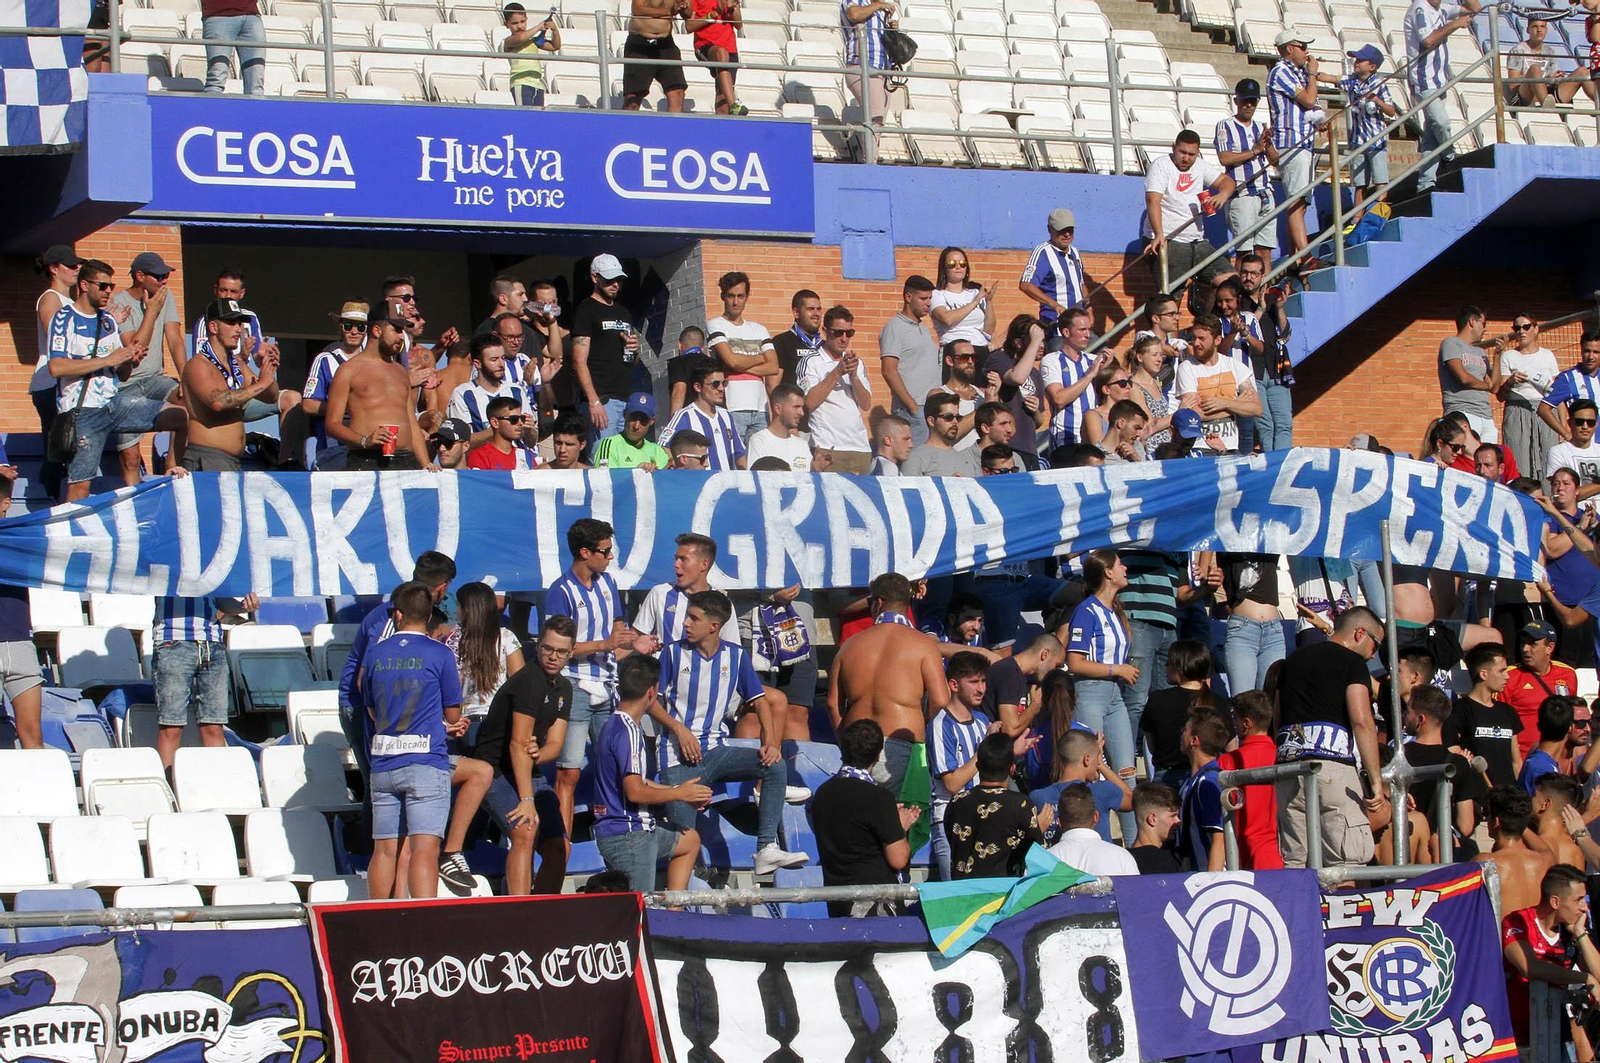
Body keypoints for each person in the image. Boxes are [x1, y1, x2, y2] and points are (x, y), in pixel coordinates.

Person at [651, 590, 808, 875]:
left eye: (693, 618)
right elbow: (650, 701)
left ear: (714, 626)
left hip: (716, 752)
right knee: (687, 841)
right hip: (678, 758)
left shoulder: (734, 656)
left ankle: (766, 849)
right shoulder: (672, 654)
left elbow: (760, 701)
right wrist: (678, 729)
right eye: (687, 615)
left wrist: (771, 742)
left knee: (774, 766)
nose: (685, 623)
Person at [48, 259, 187, 502]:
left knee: (181, 417)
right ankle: (70, 534)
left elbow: (121, 374)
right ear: (84, 285)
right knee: (80, 486)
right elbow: (56, 367)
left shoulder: (108, 321)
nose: (108, 292)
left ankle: (170, 484)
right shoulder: (64, 318)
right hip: (84, 412)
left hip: (114, 403)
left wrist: (128, 361)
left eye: (111, 286)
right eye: (102, 286)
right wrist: (108, 359)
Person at [361, 581, 463, 901]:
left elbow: (369, 705)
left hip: (383, 761)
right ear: (430, 613)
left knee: (384, 850)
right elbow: (453, 713)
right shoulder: (440, 653)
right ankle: (424, 921)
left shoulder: (376, 653)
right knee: (424, 849)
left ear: (399, 614)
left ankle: (378, 915)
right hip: (425, 761)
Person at [460, 618, 575, 896]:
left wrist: (539, 753)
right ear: (537, 647)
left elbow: (555, 745)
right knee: (524, 830)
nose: (553, 657)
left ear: (571, 652)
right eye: (547, 648)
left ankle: (544, 909)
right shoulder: (528, 681)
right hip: (494, 768)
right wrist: (526, 801)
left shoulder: (564, 688)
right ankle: (521, 909)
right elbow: (516, 744)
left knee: (560, 846)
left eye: (561, 652)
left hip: (526, 766)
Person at [1274, 605, 1387, 868]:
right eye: (1376, 645)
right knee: (1346, 862)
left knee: (1296, 864)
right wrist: (1376, 779)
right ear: (1360, 633)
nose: (1373, 656)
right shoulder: (1353, 662)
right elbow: (1362, 721)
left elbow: (1277, 717)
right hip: (1332, 769)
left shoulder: (1292, 660)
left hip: (1289, 768)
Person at [592, 654, 708, 891]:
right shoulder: (629, 733)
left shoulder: (611, 725)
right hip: (629, 835)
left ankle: (674, 916)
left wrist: (682, 791)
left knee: (690, 840)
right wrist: (679, 795)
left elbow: (636, 780)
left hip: (636, 831)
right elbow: (635, 792)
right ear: (652, 692)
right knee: (638, 910)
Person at [829, 573, 949, 794]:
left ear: (879, 602)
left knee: (859, 820)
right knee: (900, 822)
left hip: (857, 745)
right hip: (901, 743)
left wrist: (845, 742)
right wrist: (921, 723)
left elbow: (832, 705)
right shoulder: (923, 645)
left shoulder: (849, 646)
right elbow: (941, 699)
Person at [549, 518, 631, 836]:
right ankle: (562, 841)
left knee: (612, 765)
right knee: (568, 771)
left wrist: (634, 644)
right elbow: (557, 649)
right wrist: (605, 645)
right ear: (585, 552)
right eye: (605, 551)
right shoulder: (561, 591)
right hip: (574, 685)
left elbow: (618, 632)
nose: (610, 557)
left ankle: (614, 831)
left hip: (607, 684)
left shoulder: (608, 584)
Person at [1062, 549, 1139, 838]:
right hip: (1091, 693)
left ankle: (1135, 847)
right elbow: (1075, 662)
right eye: (1120, 564)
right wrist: (1115, 670)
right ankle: (1097, 838)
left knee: (1126, 771)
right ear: (1108, 572)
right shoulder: (1087, 610)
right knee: (1092, 769)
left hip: (1115, 696)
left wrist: (1118, 673)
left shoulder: (1115, 611)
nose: (1125, 568)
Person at [813, 719, 919, 917]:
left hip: (837, 901)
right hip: (875, 906)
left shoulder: (821, 794)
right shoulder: (878, 797)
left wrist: (886, 818)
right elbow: (898, 858)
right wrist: (900, 826)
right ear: (878, 755)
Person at [323, 298, 435, 471]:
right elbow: (332, 424)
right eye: (396, 329)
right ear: (376, 330)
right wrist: (365, 440)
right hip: (366, 459)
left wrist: (425, 463)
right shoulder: (348, 370)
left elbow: (411, 421)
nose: (401, 336)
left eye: (403, 330)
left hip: (406, 460)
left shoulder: (400, 372)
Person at [1501, 864, 1600, 1049]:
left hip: (1557, 1033)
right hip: (1517, 1037)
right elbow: (1530, 967)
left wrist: (1580, 934)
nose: (1585, 908)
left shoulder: (1570, 931)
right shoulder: (1517, 922)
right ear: (1555, 902)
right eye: (1578, 900)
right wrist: (1584, 978)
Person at [1141, 130, 1236, 317]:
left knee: (1230, 282)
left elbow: (1227, 181)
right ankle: (1168, 344)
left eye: (1191, 154)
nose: (1186, 158)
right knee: (1170, 301)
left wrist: (1223, 194)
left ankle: (1205, 325)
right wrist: (1159, 234)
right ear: (1174, 148)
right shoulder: (1161, 165)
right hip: (1170, 239)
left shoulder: (1200, 166)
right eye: (1182, 152)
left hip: (1197, 240)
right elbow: (1153, 200)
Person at [180, 298, 280, 472]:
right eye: (231, 322)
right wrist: (261, 384)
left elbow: (271, 397)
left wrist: (266, 366)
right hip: (207, 459)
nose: (238, 328)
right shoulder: (197, 365)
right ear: (213, 327)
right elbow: (217, 402)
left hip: (233, 462)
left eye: (239, 323)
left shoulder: (237, 364)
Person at [110, 252, 184, 484]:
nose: (164, 280)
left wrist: (187, 380)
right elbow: (135, 348)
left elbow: (174, 338)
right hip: (125, 385)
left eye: (166, 275)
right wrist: (151, 311)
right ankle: (133, 502)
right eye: (159, 275)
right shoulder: (118, 303)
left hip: (154, 380)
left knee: (187, 400)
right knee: (130, 458)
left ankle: (171, 469)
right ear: (140, 276)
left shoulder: (165, 296)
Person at [152, 594, 244, 769]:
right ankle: (169, 790)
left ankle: (213, 786)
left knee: (214, 725)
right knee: (171, 726)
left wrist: (243, 607)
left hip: (213, 645)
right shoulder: (166, 565)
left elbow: (221, 601)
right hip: (172, 641)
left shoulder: (212, 567)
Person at [1267, 30, 1335, 262]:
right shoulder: (1281, 72)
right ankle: (1304, 256)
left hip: (1304, 142)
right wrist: (1313, 74)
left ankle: (1296, 257)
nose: (1306, 52)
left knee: (1301, 203)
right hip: (1291, 143)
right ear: (1289, 48)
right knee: (1296, 201)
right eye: (1303, 45)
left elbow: (1310, 104)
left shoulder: (1296, 74)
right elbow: (1307, 99)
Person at [1406, 0, 1484, 194]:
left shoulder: (1441, 8)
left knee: (1432, 136)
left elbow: (1476, 9)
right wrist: (1454, 24)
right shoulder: (1420, 8)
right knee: (1441, 123)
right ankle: (1450, 157)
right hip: (1424, 79)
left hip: (1439, 79)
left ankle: (1426, 183)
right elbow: (1427, 40)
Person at [928, 651, 993, 881]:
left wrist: (1009, 752)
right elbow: (953, 783)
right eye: (974, 682)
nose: (981, 689)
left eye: (983, 681)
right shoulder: (941, 724)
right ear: (954, 685)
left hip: (984, 818)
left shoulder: (983, 721)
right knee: (957, 895)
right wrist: (986, 750)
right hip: (951, 821)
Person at [946, 734, 1048, 878]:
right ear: (1012, 768)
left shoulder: (957, 802)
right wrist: (1039, 828)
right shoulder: (1020, 804)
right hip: (1001, 894)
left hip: (963, 893)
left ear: (977, 766)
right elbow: (1036, 853)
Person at [1404, 687, 1483, 855]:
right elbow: (1466, 825)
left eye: (1408, 710)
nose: (1404, 715)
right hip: (1440, 850)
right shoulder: (1458, 763)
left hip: (1404, 843)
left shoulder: (1398, 756)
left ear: (1420, 719)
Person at [571, 254, 639, 441]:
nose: (615, 284)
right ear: (595, 277)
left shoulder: (623, 312)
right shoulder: (586, 310)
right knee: (602, 460)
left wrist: (634, 350)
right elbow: (579, 361)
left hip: (624, 398)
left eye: (619, 279)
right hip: (601, 398)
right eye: (610, 279)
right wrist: (593, 401)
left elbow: (631, 363)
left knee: (622, 460)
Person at [705, 271, 780, 442]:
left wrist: (739, 363)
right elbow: (731, 361)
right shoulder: (715, 324)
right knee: (735, 462)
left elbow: (773, 367)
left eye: (740, 296)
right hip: (732, 406)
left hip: (760, 407)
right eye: (731, 296)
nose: (736, 302)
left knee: (759, 461)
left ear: (747, 296)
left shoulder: (759, 329)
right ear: (723, 296)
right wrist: (761, 357)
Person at [799, 305, 873, 473]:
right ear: (825, 331)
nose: (844, 338)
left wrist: (853, 376)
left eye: (849, 333)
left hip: (859, 447)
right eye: (838, 332)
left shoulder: (856, 362)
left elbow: (866, 404)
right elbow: (809, 402)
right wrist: (838, 372)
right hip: (827, 446)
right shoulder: (811, 361)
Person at [1028, 727, 1134, 844]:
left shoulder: (1038, 796)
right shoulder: (1102, 791)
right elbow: (1132, 800)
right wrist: (1102, 765)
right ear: (1086, 759)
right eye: (1098, 757)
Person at [1213, 79, 1279, 265]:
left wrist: (1268, 143)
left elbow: (1275, 162)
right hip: (1242, 195)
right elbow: (1224, 158)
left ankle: (1262, 292)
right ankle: (1240, 293)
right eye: (1245, 101)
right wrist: (1255, 150)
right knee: (1244, 251)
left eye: (1253, 101)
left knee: (1264, 251)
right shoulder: (1225, 126)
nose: (1249, 105)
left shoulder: (1260, 127)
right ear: (1236, 101)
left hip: (1265, 193)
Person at [1175, 315, 1261, 455]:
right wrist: (1235, 405)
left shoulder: (1235, 366)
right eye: (1194, 338)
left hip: (1231, 447)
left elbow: (1256, 409)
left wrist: (1224, 403)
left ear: (1217, 340)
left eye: (1202, 339)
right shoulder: (1187, 367)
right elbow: (1194, 413)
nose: (1196, 343)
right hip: (1201, 447)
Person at [1236, 255, 1295, 451]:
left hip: (1275, 368)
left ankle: (1283, 467)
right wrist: (1260, 308)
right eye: (1245, 272)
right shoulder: (1235, 302)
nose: (1249, 277)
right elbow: (1245, 331)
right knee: (1265, 425)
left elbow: (1285, 334)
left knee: (1284, 424)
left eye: (1254, 273)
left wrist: (1278, 308)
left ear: (1263, 276)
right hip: (1252, 370)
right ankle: (1272, 469)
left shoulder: (1271, 299)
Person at [1217, 690, 1282, 869]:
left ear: (1246, 723)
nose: (1233, 724)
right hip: (1281, 854)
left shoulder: (1227, 761)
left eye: (1234, 718)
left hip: (1240, 856)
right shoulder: (1283, 758)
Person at [1141, 639, 1216, 788]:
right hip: (1207, 777)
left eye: (1168, 662)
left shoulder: (1158, 699)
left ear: (1179, 666)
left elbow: (1151, 745)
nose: (1165, 666)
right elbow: (1230, 748)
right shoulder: (1218, 702)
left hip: (1167, 778)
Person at [1455, 642, 1526, 788]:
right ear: (1483, 674)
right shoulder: (1459, 710)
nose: (1507, 676)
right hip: (1478, 799)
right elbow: (1453, 752)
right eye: (1501, 671)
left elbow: (1516, 762)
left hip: (1508, 798)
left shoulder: (1508, 711)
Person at [1499, 313, 1561, 478]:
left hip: (1545, 410)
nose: (1521, 331)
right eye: (1517, 328)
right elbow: (1500, 396)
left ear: (1536, 329)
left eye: (1526, 327)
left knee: (1549, 460)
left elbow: (1557, 394)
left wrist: (1562, 426)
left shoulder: (1547, 356)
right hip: (1517, 409)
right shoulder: (1508, 356)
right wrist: (1510, 382)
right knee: (1519, 463)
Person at [881, 276, 941, 447]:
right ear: (908, 297)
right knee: (914, 465)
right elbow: (888, 371)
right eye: (923, 298)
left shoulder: (923, 328)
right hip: (912, 411)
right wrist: (913, 408)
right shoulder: (895, 327)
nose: (928, 303)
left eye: (930, 298)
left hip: (931, 409)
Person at [1478, 785, 1556, 914]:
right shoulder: (1546, 860)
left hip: (1502, 933)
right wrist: (1518, 820)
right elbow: (1544, 849)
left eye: (1487, 813)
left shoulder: (1484, 862)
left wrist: (1514, 820)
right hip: (1534, 933)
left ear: (1496, 821)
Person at [448, 334, 536, 448]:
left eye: (503, 358)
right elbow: (462, 442)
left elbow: (531, 442)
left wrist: (529, 431)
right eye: (494, 360)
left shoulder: (516, 391)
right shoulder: (463, 394)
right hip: (481, 463)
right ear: (477, 363)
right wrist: (502, 427)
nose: (501, 364)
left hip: (516, 462)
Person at [1505, 621, 1579, 757]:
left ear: (1549, 648)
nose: (1525, 649)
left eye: (1532, 644)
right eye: (1523, 643)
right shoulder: (1509, 676)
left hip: (1558, 760)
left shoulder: (1568, 674)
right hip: (1524, 760)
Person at [659, 359, 747, 470]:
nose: (721, 389)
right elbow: (663, 448)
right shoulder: (684, 416)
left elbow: (739, 452)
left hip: (727, 484)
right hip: (700, 484)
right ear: (698, 387)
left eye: (724, 383)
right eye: (715, 384)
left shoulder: (726, 415)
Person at [1339, 46, 1398, 210]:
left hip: (1376, 138)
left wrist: (1377, 101)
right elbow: (1332, 78)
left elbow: (1391, 111)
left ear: (1372, 66)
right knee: (1360, 183)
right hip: (1358, 139)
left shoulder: (1379, 84)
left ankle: (1380, 213)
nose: (1356, 62)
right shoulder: (1351, 81)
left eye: (1360, 60)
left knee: (1380, 179)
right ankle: (1357, 217)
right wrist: (1314, 72)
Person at [987, 314, 1049, 469]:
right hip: (1004, 447)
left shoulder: (1036, 374)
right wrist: (1034, 341)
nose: (1041, 345)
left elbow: (1039, 421)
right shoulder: (999, 358)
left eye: (1042, 340)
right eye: (1036, 340)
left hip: (1029, 449)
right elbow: (1016, 377)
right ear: (1018, 343)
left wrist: (1035, 411)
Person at [1219, 551, 1285, 694]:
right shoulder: (1226, 537)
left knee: (1269, 702)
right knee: (1243, 701)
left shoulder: (1269, 537)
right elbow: (1208, 573)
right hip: (1243, 630)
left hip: (1274, 631)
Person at [1042, 308, 1108, 451]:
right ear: (1066, 332)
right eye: (1082, 330)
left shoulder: (1093, 360)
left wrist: (1109, 369)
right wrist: (1090, 375)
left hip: (1094, 439)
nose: (1088, 335)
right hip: (1066, 441)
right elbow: (1058, 399)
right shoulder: (1052, 360)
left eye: (1089, 329)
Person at [1439, 305, 1502, 444]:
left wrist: (1497, 356)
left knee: (1488, 460)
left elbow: (1495, 387)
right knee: (1465, 460)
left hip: (1486, 416)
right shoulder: (1451, 343)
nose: (1485, 329)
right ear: (1472, 322)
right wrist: (1487, 385)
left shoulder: (1480, 352)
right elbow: (1463, 378)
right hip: (1463, 411)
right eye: (1483, 323)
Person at [1177, 706, 1230, 872]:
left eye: (1185, 730)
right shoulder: (1189, 780)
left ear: (1194, 740)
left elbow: (1219, 837)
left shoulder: (1209, 783)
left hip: (1206, 875)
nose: (1181, 734)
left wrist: (1211, 883)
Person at [1019, 208, 1087, 332]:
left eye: (1070, 230)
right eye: (1062, 230)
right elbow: (1026, 284)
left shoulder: (1075, 252)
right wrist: (1054, 304)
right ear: (1050, 229)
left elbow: (1081, 284)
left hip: (1079, 326)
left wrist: (1089, 308)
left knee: (1103, 350)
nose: (1067, 234)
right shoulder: (1043, 252)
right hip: (1056, 327)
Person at [1048, 784, 1138, 875]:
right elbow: (1135, 889)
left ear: (1059, 822)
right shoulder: (1122, 857)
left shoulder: (1046, 860)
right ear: (1096, 817)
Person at [1509, 15, 1597, 106]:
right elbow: (1513, 86)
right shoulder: (1518, 50)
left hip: (1549, 92)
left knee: (1582, 71)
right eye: (1535, 26)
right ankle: (1547, 106)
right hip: (1525, 95)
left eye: (1542, 26)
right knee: (1534, 69)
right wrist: (1543, 79)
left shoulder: (1549, 51)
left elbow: (1553, 81)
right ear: (1528, 30)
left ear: (1546, 30)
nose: (1539, 30)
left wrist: (1556, 78)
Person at [621, 0, 688, 112]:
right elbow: (638, 9)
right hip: (640, 42)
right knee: (633, 99)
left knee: (677, 93)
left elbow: (688, 15)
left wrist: (684, 7)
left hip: (666, 42)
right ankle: (625, 128)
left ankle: (673, 128)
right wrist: (668, 11)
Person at [841, 0, 895, 135]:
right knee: (876, 119)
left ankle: (871, 155)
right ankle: (869, 156)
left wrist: (893, 29)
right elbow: (854, 14)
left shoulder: (882, 7)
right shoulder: (855, 2)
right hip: (862, 65)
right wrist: (878, 6)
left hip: (883, 70)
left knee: (878, 123)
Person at [931, 247, 996, 356]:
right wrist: (974, 303)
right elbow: (947, 319)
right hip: (954, 351)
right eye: (952, 264)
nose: (958, 267)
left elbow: (988, 330)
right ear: (944, 269)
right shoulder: (937, 294)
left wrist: (989, 302)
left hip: (980, 348)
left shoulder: (975, 293)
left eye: (962, 263)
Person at [1539, 331, 1600, 445]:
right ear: (1581, 351)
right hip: (1583, 448)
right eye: (1587, 351)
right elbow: (1543, 409)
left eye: (1596, 352)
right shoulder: (1567, 378)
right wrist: (1566, 434)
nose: (1591, 356)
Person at [686, 0, 745, 113]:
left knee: (723, 102)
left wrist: (732, 9)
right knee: (720, 54)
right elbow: (689, 26)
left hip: (730, 48)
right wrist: (714, 13)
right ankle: (733, 104)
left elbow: (738, 25)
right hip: (705, 45)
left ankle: (723, 125)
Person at [901, 392, 981, 476]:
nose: (955, 422)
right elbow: (910, 488)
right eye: (948, 417)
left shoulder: (967, 458)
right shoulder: (916, 458)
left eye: (958, 417)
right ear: (931, 421)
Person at [591, 392, 670, 470]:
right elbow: (606, 479)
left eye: (644, 421)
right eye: (633, 418)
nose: (636, 426)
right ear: (625, 415)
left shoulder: (659, 452)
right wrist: (636, 473)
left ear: (652, 421)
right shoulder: (609, 444)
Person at [502, 2, 560, 106]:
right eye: (514, 23)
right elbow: (521, 38)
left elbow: (555, 46)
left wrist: (554, 30)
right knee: (524, 115)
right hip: (521, 82)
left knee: (537, 117)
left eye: (522, 21)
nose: (519, 26)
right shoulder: (509, 41)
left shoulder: (533, 40)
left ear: (526, 20)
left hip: (538, 84)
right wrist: (538, 27)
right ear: (506, 25)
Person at [745, 383, 813, 472]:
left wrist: (816, 469)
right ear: (778, 409)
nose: (802, 413)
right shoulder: (759, 440)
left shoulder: (802, 445)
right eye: (796, 407)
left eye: (802, 407)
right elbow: (758, 479)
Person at [201, 0, 264, 94]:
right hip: (219, 15)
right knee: (216, 78)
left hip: (251, 14)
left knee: (256, 83)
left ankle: (254, 108)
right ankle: (212, 107)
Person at [771, 290, 824, 391]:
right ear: (796, 313)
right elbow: (772, 385)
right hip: (794, 405)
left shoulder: (824, 345)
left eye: (818, 309)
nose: (816, 313)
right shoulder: (781, 342)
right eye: (810, 309)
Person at [1520, 696, 1574, 793]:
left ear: (1539, 726)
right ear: (1570, 728)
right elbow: (1547, 807)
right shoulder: (1542, 769)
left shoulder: (1541, 763)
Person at [1128, 782, 1183, 873]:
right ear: (1152, 819)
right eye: (1173, 816)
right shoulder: (1168, 862)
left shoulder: (1122, 860)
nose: (1178, 821)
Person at [1547, 402, 1600, 487]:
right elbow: (1562, 493)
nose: (1585, 427)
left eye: (1590, 422)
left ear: (1596, 425)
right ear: (1570, 423)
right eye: (1579, 422)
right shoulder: (1558, 452)